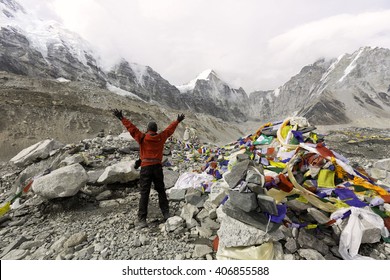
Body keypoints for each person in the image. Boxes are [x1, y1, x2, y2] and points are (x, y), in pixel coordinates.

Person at [112, 109, 185, 228]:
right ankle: (166, 213)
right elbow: (169, 130)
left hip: (146, 168)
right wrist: (177, 121)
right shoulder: (161, 137)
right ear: (156, 130)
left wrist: (122, 118)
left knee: (144, 193)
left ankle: (142, 220)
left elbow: (132, 128)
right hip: (157, 167)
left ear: (147, 129)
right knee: (161, 190)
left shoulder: (142, 137)